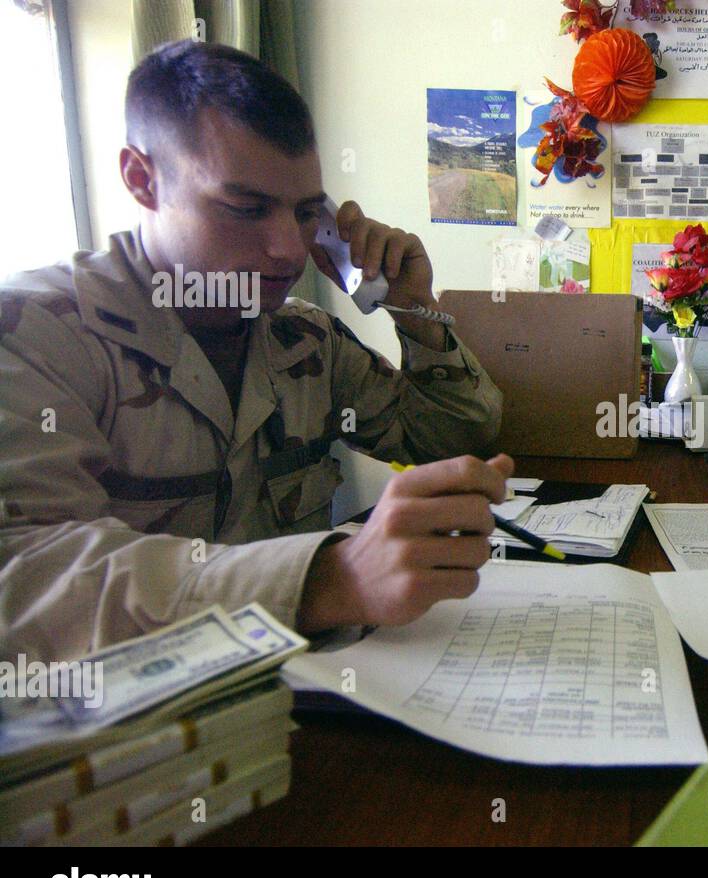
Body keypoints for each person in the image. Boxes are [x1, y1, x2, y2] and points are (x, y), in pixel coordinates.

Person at [0, 41, 509, 661]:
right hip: (139, 739)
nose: (288, 251)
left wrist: (412, 307)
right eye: (246, 209)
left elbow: (452, 442)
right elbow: (22, 579)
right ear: (142, 179)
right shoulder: (35, 339)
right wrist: (327, 579)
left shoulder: (304, 339)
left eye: (302, 213)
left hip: (310, 702)